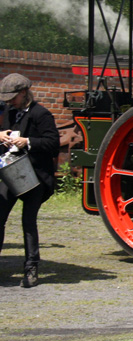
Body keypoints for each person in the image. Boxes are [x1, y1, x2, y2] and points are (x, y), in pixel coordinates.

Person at [0, 73, 60, 288]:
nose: (8, 102)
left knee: (28, 222)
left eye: (12, 98)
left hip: (35, 177)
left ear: (24, 93)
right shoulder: (11, 112)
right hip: (12, 173)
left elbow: (53, 144)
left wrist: (28, 141)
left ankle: (31, 268)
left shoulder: (41, 114)